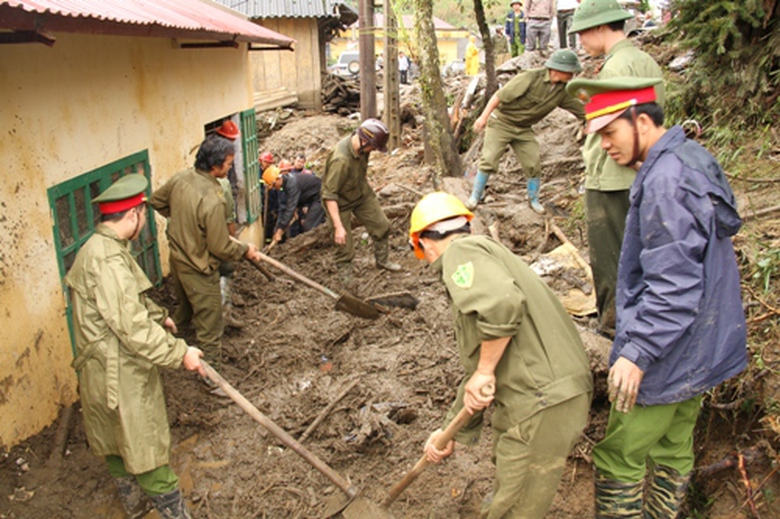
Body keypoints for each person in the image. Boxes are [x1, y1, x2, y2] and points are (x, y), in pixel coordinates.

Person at [566, 75, 748, 517]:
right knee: (673, 445)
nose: (604, 145)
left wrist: (638, 351)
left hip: (668, 352)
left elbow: (673, 283)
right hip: (702, 347)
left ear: (642, 120)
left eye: (610, 132)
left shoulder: (665, 182)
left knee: (619, 454)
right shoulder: (689, 155)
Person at [409, 191, 593, 519]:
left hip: (541, 397)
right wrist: (448, 431)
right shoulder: (488, 256)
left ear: (427, 242)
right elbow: (479, 369)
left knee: (512, 509)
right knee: (510, 490)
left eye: (424, 253)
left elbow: (501, 308)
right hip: (541, 395)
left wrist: (484, 372)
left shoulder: (460, 253)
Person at [65, 174, 206, 519]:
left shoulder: (101, 248)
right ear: (132, 215)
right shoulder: (108, 261)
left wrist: (160, 316)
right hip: (118, 369)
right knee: (142, 442)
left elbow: (122, 304)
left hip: (101, 365)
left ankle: (135, 507)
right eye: (143, 216)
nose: (144, 223)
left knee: (114, 438)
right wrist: (179, 351)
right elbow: (130, 324)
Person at [568, 0, 665, 336]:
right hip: (640, 170)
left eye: (582, 33)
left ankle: (613, 326)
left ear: (600, 28)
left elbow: (606, 128)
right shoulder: (644, 60)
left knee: (610, 257)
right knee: (637, 249)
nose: (581, 41)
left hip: (608, 178)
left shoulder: (613, 70)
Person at [150, 136, 262, 370]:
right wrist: (246, 250)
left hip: (178, 262)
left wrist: (182, 219)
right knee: (210, 328)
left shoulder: (181, 178)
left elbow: (157, 201)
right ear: (215, 166)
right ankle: (211, 379)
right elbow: (220, 247)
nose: (231, 168)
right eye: (229, 164)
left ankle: (169, 355)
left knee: (183, 313)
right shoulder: (213, 200)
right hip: (199, 270)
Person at [466, 49, 585, 214]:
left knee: (533, 162)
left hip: (523, 129)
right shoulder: (530, 78)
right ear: (559, 70)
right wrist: (483, 117)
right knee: (489, 158)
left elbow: (579, 109)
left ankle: (534, 200)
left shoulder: (562, 91)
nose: (572, 76)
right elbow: (499, 96)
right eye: (570, 72)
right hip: (502, 122)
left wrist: (596, 117)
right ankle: (475, 197)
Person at [321, 118, 401, 282]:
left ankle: (382, 261)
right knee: (343, 244)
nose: (374, 150)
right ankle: (346, 281)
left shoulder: (363, 148)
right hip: (339, 203)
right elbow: (329, 195)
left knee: (382, 225)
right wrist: (338, 226)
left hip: (360, 193)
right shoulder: (340, 160)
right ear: (365, 141)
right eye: (373, 147)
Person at [214, 121, 244, 329]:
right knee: (226, 269)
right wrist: (234, 242)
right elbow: (228, 218)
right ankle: (224, 314)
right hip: (215, 238)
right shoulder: (221, 184)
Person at [264, 164, 325, 246]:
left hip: (320, 196)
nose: (275, 188)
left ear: (278, 179)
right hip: (311, 197)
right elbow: (293, 202)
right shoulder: (286, 182)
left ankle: (316, 248)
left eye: (274, 185)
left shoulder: (292, 184)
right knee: (307, 225)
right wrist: (296, 208)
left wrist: (280, 230)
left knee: (309, 226)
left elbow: (290, 207)